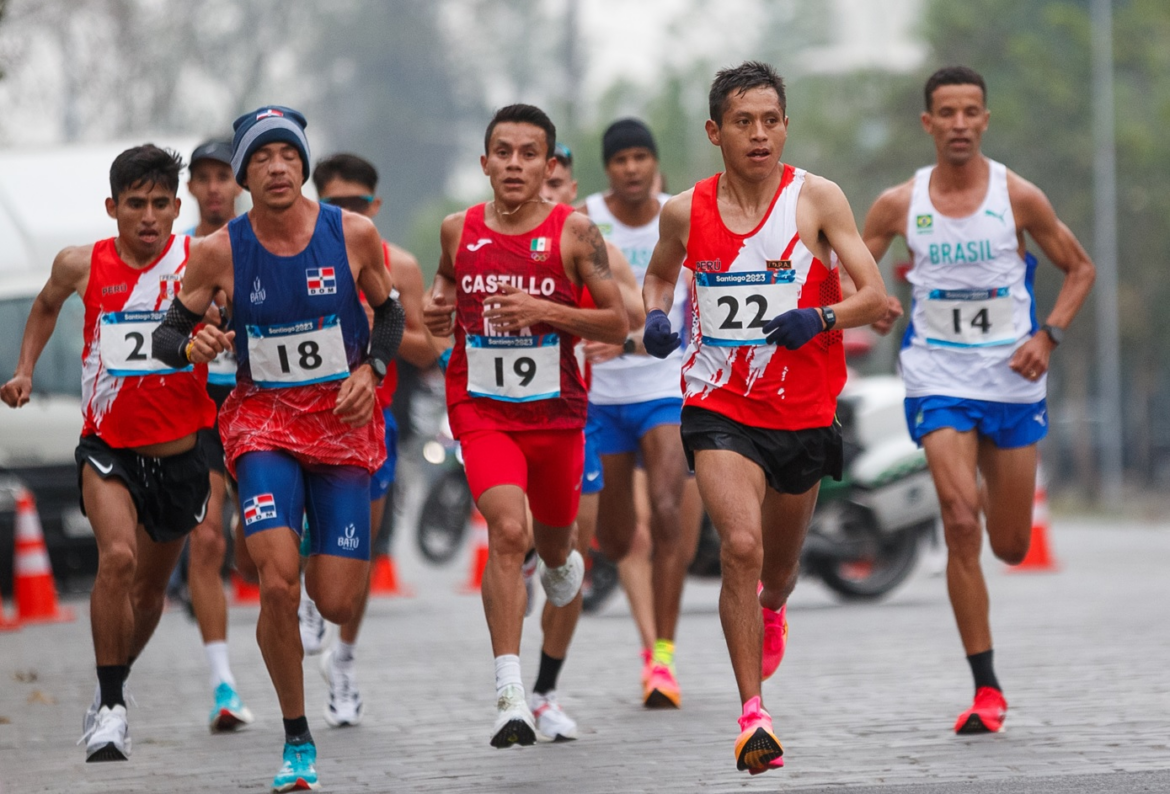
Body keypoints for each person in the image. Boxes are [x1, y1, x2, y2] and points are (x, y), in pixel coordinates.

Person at [641, 61, 888, 774]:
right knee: (740, 548)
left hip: (803, 412)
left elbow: (873, 295)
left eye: (770, 121)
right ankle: (754, 718)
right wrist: (656, 316)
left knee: (775, 572)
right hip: (718, 404)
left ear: (785, 127)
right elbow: (659, 274)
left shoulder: (817, 199)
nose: (758, 134)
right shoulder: (685, 211)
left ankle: (773, 608)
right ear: (714, 131)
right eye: (743, 122)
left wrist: (821, 317)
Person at [152, 105, 403, 791]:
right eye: (261, 158)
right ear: (244, 177)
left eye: (287, 155)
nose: (277, 168)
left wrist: (372, 368)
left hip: (342, 425)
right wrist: (194, 343)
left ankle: (302, 562)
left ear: (303, 165)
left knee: (338, 601)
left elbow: (390, 313)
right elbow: (168, 335)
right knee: (278, 584)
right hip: (263, 424)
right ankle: (297, 739)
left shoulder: (352, 234)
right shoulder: (219, 251)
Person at [861, 65, 1095, 735]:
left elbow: (1079, 268)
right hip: (937, 377)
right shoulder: (899, 203)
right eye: (947, 112)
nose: (959, 123)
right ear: (928, 123)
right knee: (960, 521)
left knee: (1011, 545)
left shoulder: (1017, 196)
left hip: (1011, 380)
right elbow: (846, 266)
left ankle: (989, 483)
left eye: (971, 112)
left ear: (985, 120)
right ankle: (985, 688)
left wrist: (1048, 336)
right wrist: (873, 303)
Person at [1, 145, 218, 762]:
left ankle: (109, 685)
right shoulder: (81, 263)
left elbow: (245, 311)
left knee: (148, 595)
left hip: (181, 453)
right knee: (116, 558)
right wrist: (24, 370)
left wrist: (217, 337)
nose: (148, 217)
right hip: (108, 448)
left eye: (160, 204)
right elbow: (45, 305)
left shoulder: (202, 260)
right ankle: (113, 709)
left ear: (176, 207)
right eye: (135, 204)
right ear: (112, 207)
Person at [423, 104, 627, 748]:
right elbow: (443, 286)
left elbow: (618, 322)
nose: (515, 164)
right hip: (482, 409)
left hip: (557, 416)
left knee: (560, 552)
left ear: (548, 165)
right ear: (485, 163)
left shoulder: (577, 233)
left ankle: (561, 566)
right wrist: (437, 309)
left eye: (529, 154)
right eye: (504, 153)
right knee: (509, 531)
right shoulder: (457, 229)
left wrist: (546, 310)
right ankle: (511, 695)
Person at [304, 152, 437, 727]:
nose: (348, 214)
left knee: (360, 549)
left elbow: (428, 351)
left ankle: (345, 665)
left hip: (373, 423)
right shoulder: (295, 257)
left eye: (358, 204)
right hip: (305, 419)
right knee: (298, 531)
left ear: (375, 206)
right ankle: (309, 596)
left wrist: (379, 321)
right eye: (336, 204)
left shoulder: (399, 266)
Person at [524, 142, 645, 741]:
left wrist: (615, 336)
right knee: (515, 535)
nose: (546, 195)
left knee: (572, 558)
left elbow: (641, 318)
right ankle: (510, 686)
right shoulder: (486, 248)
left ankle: (545, 691)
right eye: (539, 184)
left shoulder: (596, 251)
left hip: (578, 421)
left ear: (573, 192)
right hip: (506, 422)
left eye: (557, 185)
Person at [579, 118, 695, 708]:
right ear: (608, 169)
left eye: (640, 157)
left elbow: (694, 308)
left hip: (663, 387)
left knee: (670, 511)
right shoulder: (584, 221)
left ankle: (663, 657)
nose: (631, 168)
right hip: (601, 398)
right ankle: (654, 649)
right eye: (620, 159)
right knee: (619, 536)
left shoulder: (680, 217)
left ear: (654, 163)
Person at [181, 137, 255, 732]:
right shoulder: (180, 253)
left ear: (240, 184)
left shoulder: (265, 242)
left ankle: (245, 531)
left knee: (253, 553)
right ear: (190, 188)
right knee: (205, 542)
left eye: (222, 176)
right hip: (200, 409)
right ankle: (222, 685)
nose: (213, 188)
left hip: (257, 404)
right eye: (202, 178)